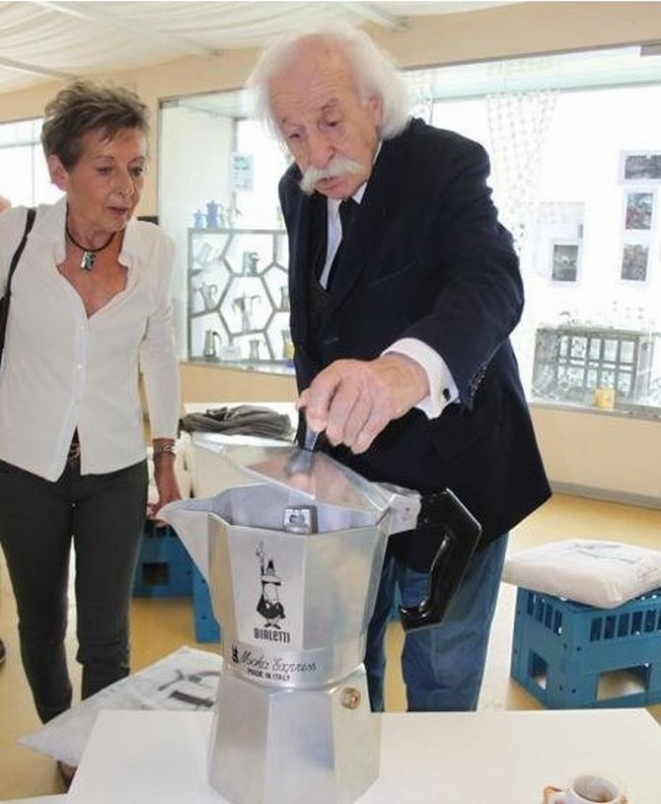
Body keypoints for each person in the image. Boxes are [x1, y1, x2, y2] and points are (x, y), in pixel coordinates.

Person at [249, 27, 551, 713]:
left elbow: (489, 281)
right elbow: (323, 324)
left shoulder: (441, 165)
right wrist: (306, 452)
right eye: (293, 134)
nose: (315, 153)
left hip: (457, 474)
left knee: (439, 664)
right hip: (350, 481)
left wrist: (401, 372)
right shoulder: (297, 189)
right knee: (343, 653)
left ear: (374, 101)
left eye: (330, 122)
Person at [0, 81, 181, 778]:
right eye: (105, 168)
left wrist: (163, 454)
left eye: (135, 168)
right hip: (22, 469)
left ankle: (98, 754)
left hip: (114, 468)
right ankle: (63, 740)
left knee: (106, 636)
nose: (126, 187)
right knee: (41, 627)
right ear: (58, 169)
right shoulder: (15, 239)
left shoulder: (154, 251)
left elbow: (158, 350)